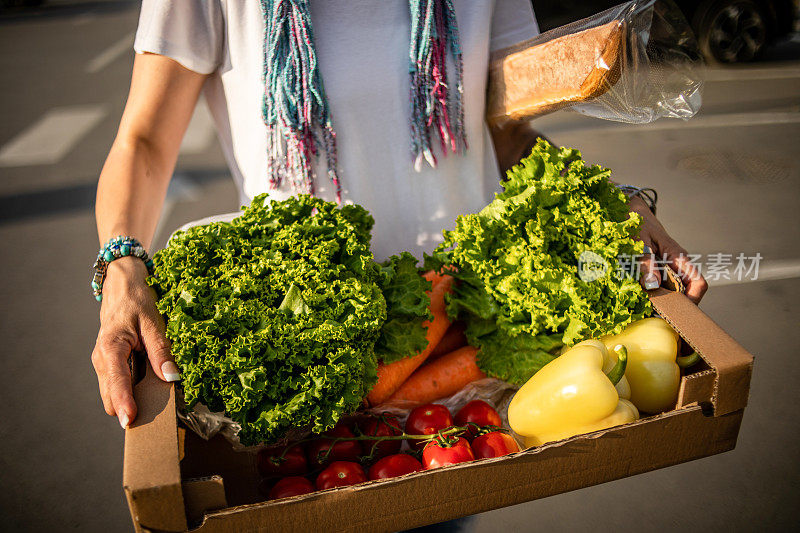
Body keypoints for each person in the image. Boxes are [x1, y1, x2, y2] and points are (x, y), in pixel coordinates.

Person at [91, 0, 707, 429]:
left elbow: (505, 135)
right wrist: (121, 268)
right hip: (318, 358)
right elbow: (143, 142)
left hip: (471, 343)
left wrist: (605, 201)